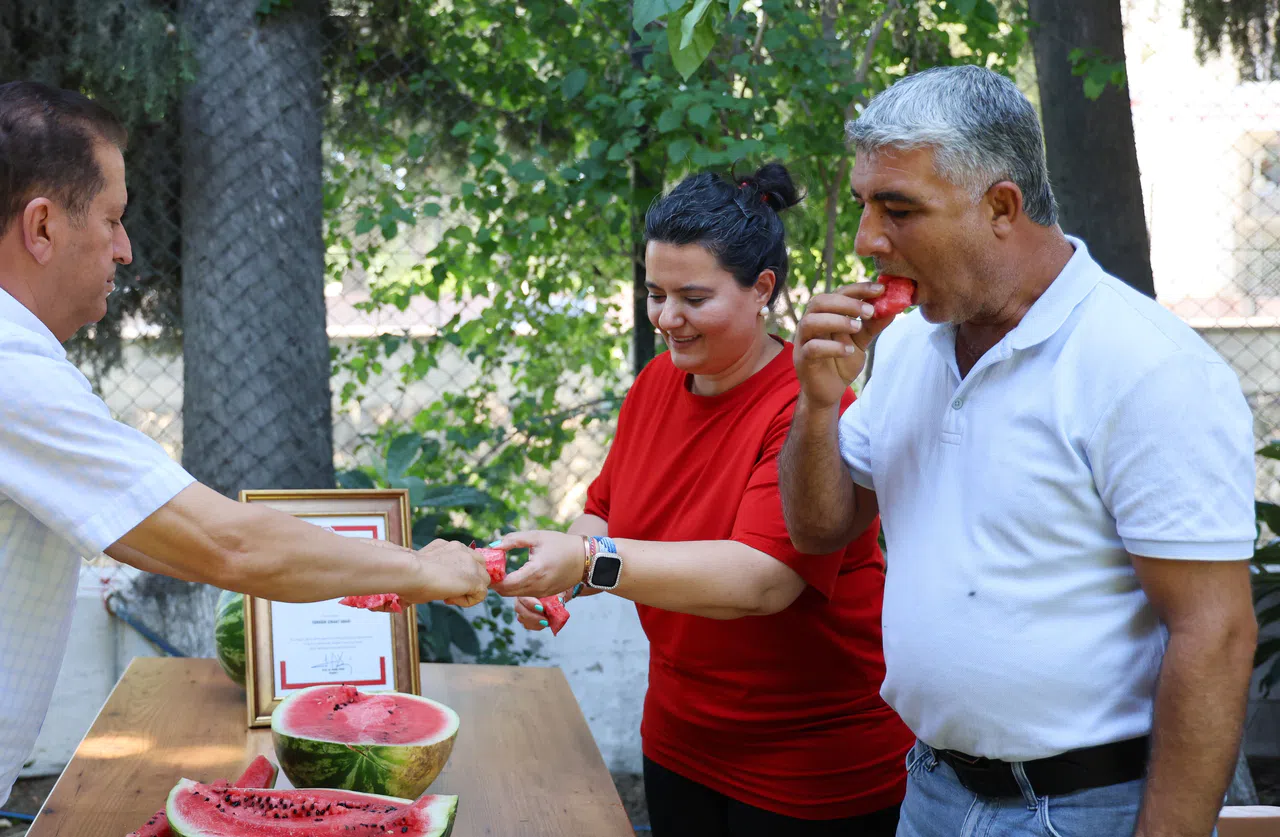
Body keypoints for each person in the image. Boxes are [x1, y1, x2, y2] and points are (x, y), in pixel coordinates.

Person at [779, 64, 1258, 837]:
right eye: (868, 204)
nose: (870, 239)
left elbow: (1217, 632)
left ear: (1001, 205)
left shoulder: (1145, 367)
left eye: (898, 208)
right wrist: (818, 402)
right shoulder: (906, 345)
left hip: (1085, 807)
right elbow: (819, 527)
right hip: (932, 790)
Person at [0, 81, 491, 807]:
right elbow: (225, 544)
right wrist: (422, 569)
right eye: (112, 219)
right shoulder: (11, 367)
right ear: (42, 227)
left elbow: (156, 537)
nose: (126, 250)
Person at [489, 163, 914, 836]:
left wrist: (588, 560)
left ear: (761, 290)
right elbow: (603, 512)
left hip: (813, 759)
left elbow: (762, 581)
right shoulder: (657, 380)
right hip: (680, 736)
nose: (665, 318)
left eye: (692, 296)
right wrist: (558, 576)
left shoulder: (806, 409)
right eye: (655, 294)